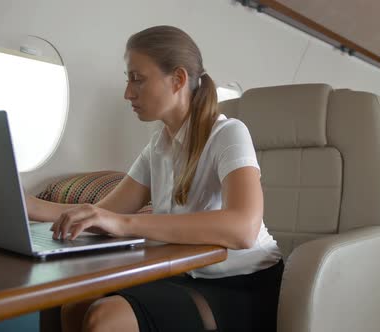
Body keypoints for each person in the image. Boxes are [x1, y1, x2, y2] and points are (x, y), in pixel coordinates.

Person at [25, 25, 283, 332]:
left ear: (177, 79)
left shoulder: (229, 133)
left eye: (138, 79)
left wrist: (124, 224)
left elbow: (244, 229)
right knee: (72, 307)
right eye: (128, 79)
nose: (127, 92)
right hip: (184, 273)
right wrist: (20, 203)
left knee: (104, 317)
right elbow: (105, 213)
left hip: (242, 283)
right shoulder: (159, 145)